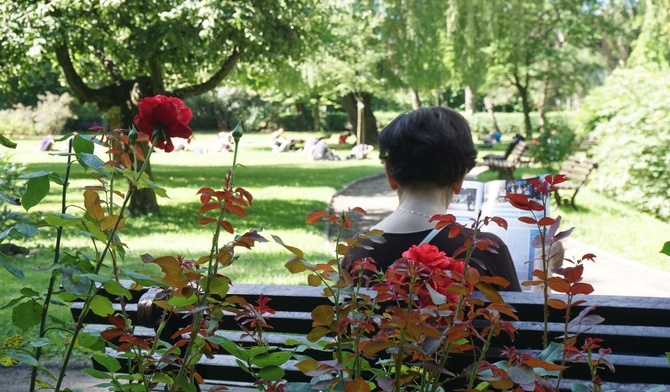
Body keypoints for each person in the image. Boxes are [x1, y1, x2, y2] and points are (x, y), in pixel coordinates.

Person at [342, 107, 521, 291]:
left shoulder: (357, 252)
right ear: (459, 180)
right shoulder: (485, 251)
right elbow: (522, 317)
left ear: (390, 175)